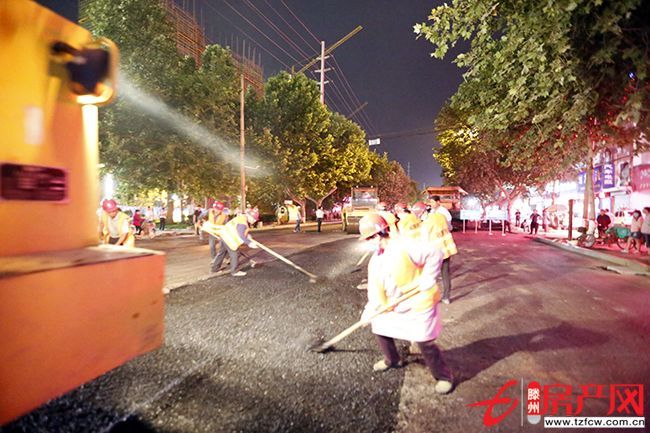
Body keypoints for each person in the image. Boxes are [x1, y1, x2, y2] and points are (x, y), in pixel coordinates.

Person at [358, 214, 454, 395]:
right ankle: (393, 360)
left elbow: (436, 252)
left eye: (369, 238)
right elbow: (375, 290)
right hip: (394, 304)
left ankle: (444, 376)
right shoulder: (375, 261)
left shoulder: (404, 245)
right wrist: (369, 311)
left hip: (418, 301)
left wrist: (428, 277)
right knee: (379, 327)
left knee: (423, 340)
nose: (368, 243)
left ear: (379, 234)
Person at [421, 210, 458, 304]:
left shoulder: (427, 223)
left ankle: (431, 297)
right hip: (446, 250)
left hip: (435, 253)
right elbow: (450, 227)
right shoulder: (441, 217)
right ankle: (446, 297)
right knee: (445, 273)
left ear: (423, 213)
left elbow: (425, 240)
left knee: (430, 275)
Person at [211, 209, 259, 276]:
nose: (254, 221)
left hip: (224, 235)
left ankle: (215, 268)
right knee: (235, 254)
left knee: (221, 253)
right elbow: (241, 235)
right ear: (250, 216)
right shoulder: (242, 222)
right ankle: (235, 271)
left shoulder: (241, 218)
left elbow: (239, 230)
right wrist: (249, 243)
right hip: (229, 239)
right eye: (254, 219)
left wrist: (247, 236)